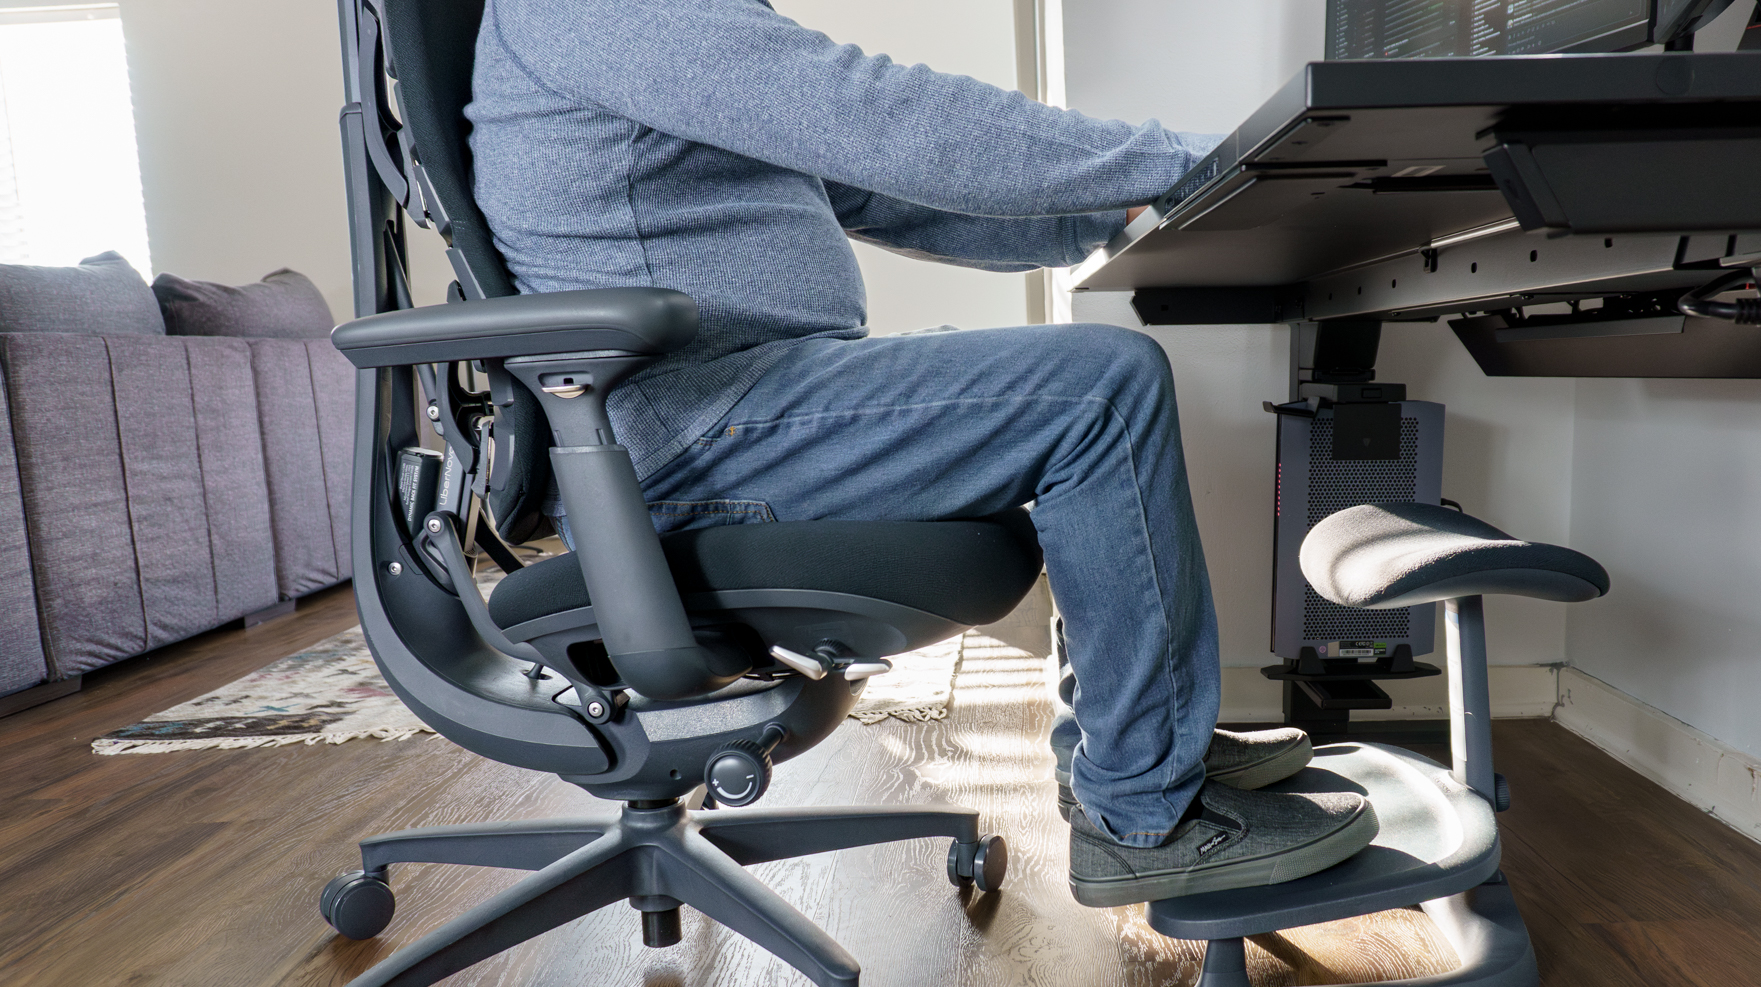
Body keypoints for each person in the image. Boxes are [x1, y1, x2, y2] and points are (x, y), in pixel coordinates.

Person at [467, 0, 1378, 906]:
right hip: (692, 429)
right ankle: (1144, 814)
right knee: (1099, 388)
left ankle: (1141, 746)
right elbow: (873, 119)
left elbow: (872, 188)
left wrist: (1112, 208)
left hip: (750, 394)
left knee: (1082, 389)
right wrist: (1183, 159)